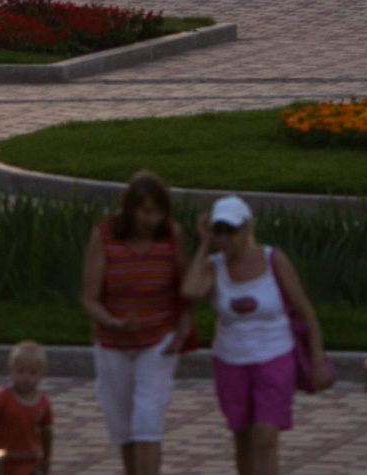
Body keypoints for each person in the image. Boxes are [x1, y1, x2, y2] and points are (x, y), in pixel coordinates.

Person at [182, 196, 327, 475]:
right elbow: (190, 291)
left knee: (265, 436)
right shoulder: (214, 266)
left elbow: (306, 314)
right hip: (231, 360)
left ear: (246, 229)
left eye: (231, 231)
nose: (225, 239)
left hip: (274, 356)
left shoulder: (274, 260)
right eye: (219, 231)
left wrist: (317, 361)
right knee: (244, 437)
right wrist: (203, 244)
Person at [80, 170, 189, 475]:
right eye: (146, 211)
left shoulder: (171, 235)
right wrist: (113, 322)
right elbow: (90, 298)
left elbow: (185, 286)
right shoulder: (104, 236)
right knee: (124, 427)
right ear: (130, 209)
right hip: (113, 342)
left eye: (158, 212)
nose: (152, 219)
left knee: (147, 420)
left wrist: (184, 323)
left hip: (158, 340)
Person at [0, 341, 53, 475]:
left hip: (31, 463)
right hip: (5, 463)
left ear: (42, 374)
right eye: (20, 371)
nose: (26, 377)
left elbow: (47, 432)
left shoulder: (43, 403)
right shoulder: (3, 399)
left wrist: (46, 458)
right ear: (11, 371)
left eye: (32, 373)